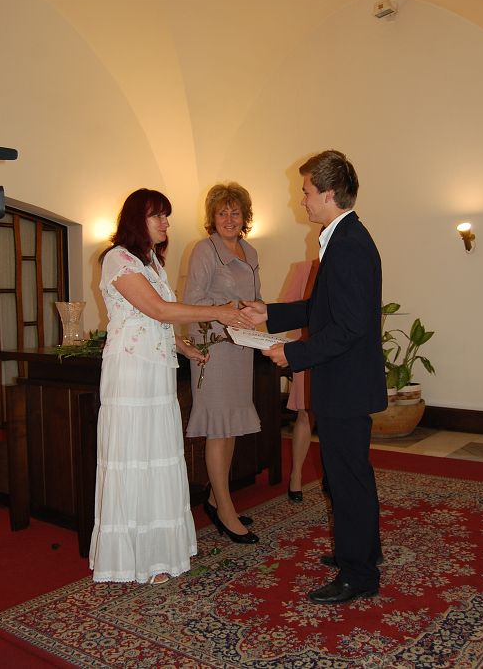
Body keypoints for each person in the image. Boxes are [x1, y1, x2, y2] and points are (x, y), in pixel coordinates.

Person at [242, 150, 386, 605]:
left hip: (345, 384)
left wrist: (292, 353)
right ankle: (362, 552)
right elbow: (323, 309)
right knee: (351, 474)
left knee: (346, 478)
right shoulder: (342, 238)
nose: (300, 200)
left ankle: (358, 574)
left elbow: (348, 327)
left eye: (305, 192)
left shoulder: (348, 245)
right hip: (345, 381)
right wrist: (269, 314)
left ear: (328, 194)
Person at [89, 188, 253, 584]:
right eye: (157, 216)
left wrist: (183, 346)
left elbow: (154, 321)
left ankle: (158, 552)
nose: (166, 223)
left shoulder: (151, 263)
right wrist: (218, 311)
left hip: (158, 371)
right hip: (131, 374)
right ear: (137, 220)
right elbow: (159, 309)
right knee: (135, 458)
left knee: (159, 456)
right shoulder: (117, 259)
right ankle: (133, 560)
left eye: (166, 215)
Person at [184, 183, 261, 544]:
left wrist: (258, 320)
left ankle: (217, 499)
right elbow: (192, 301)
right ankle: (225, 511)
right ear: (212, 218)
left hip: (240, 347)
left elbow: (255, 299)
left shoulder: (250, 251)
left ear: (245, 216)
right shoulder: (204, 250)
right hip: (212, 348)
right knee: (218, 427)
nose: (229, 219)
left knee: (230, 426)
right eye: (222, 212)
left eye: (235, 212)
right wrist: (226, 312)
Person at [281, 259, 319, 502]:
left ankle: (334, 476)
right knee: (305, 412)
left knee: (334, 417)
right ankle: (296, 475)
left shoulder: (346, 264)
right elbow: (288, 311)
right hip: (306, 348)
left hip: (335, 352)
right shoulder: (305, 269)